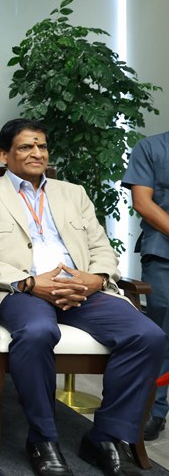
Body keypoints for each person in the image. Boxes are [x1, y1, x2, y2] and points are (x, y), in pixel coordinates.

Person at [0, 118, 165, 476]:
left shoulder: (73, 193)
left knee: (148, 335)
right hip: (23, 291)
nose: (37, 153)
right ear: (4, 155)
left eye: (41, 146)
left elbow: (101, 247)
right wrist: (29, 282)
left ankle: (106, 437)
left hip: (81, 289)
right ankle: (43, 438)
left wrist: (96, 278)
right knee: (37, 332)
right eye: (25, 147)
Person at [124, 130, 169, 441]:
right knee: (161, 330)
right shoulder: (151, 147)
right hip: (163, 250)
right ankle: (155, 408)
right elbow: (142, 202)